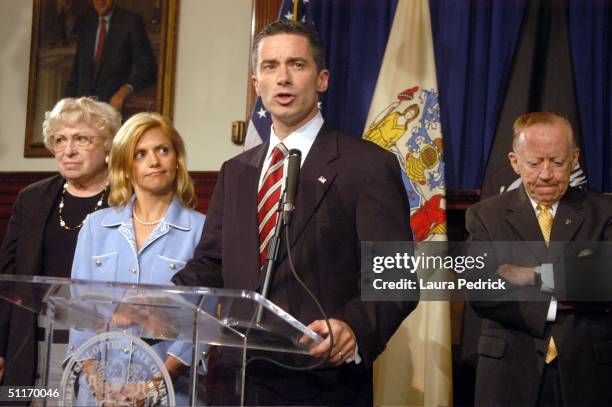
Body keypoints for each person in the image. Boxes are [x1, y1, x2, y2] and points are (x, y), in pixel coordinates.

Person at [172, 19, 417, 406]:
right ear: (257, 84)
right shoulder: (236, 172)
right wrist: (164, 299)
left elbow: (395, 276)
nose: (282, 78)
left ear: (322, 79)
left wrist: (353, 326)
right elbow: (212, 262)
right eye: (270, 67)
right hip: (236, 381)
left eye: (296, 65)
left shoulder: (366, 165)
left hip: (320, 380)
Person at [466, 112, 612, 406]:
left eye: (558, 162)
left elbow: (603, 279)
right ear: (514, 162)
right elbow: (482, 289)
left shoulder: (604, 211)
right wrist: (562, 296)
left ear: (575, 158)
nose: (546, 174)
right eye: (534, 163)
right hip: (509, 375)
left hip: (590, 375)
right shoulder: (485, 215)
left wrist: (532, 276)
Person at [67, 112, 205, 405]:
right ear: (126, 167)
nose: (154, 161)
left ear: (177, 159)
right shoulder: (95, 226)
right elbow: (80, 312)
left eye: (163, 150)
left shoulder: (204, 230)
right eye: (140, 154)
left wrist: (150, 391)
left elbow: (202, 328)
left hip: (170, 394)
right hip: (97, 396)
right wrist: (97, 385)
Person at [0, 97, 120, 388]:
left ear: (107, 143)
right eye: (59, 139)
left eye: (81, 139)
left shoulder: (126, 198)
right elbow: (7, 279)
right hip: (30, 340)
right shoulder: (32, 199)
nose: (68, 151)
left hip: (101, 341)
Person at [65, 0, 157, 110]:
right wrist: (66, 108)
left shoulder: (131, 22)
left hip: (111, 111)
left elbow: (148, 68)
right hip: (82, 112)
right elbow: (76, 73)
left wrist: (124, 91)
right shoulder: (86, 22)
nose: (100, 1)